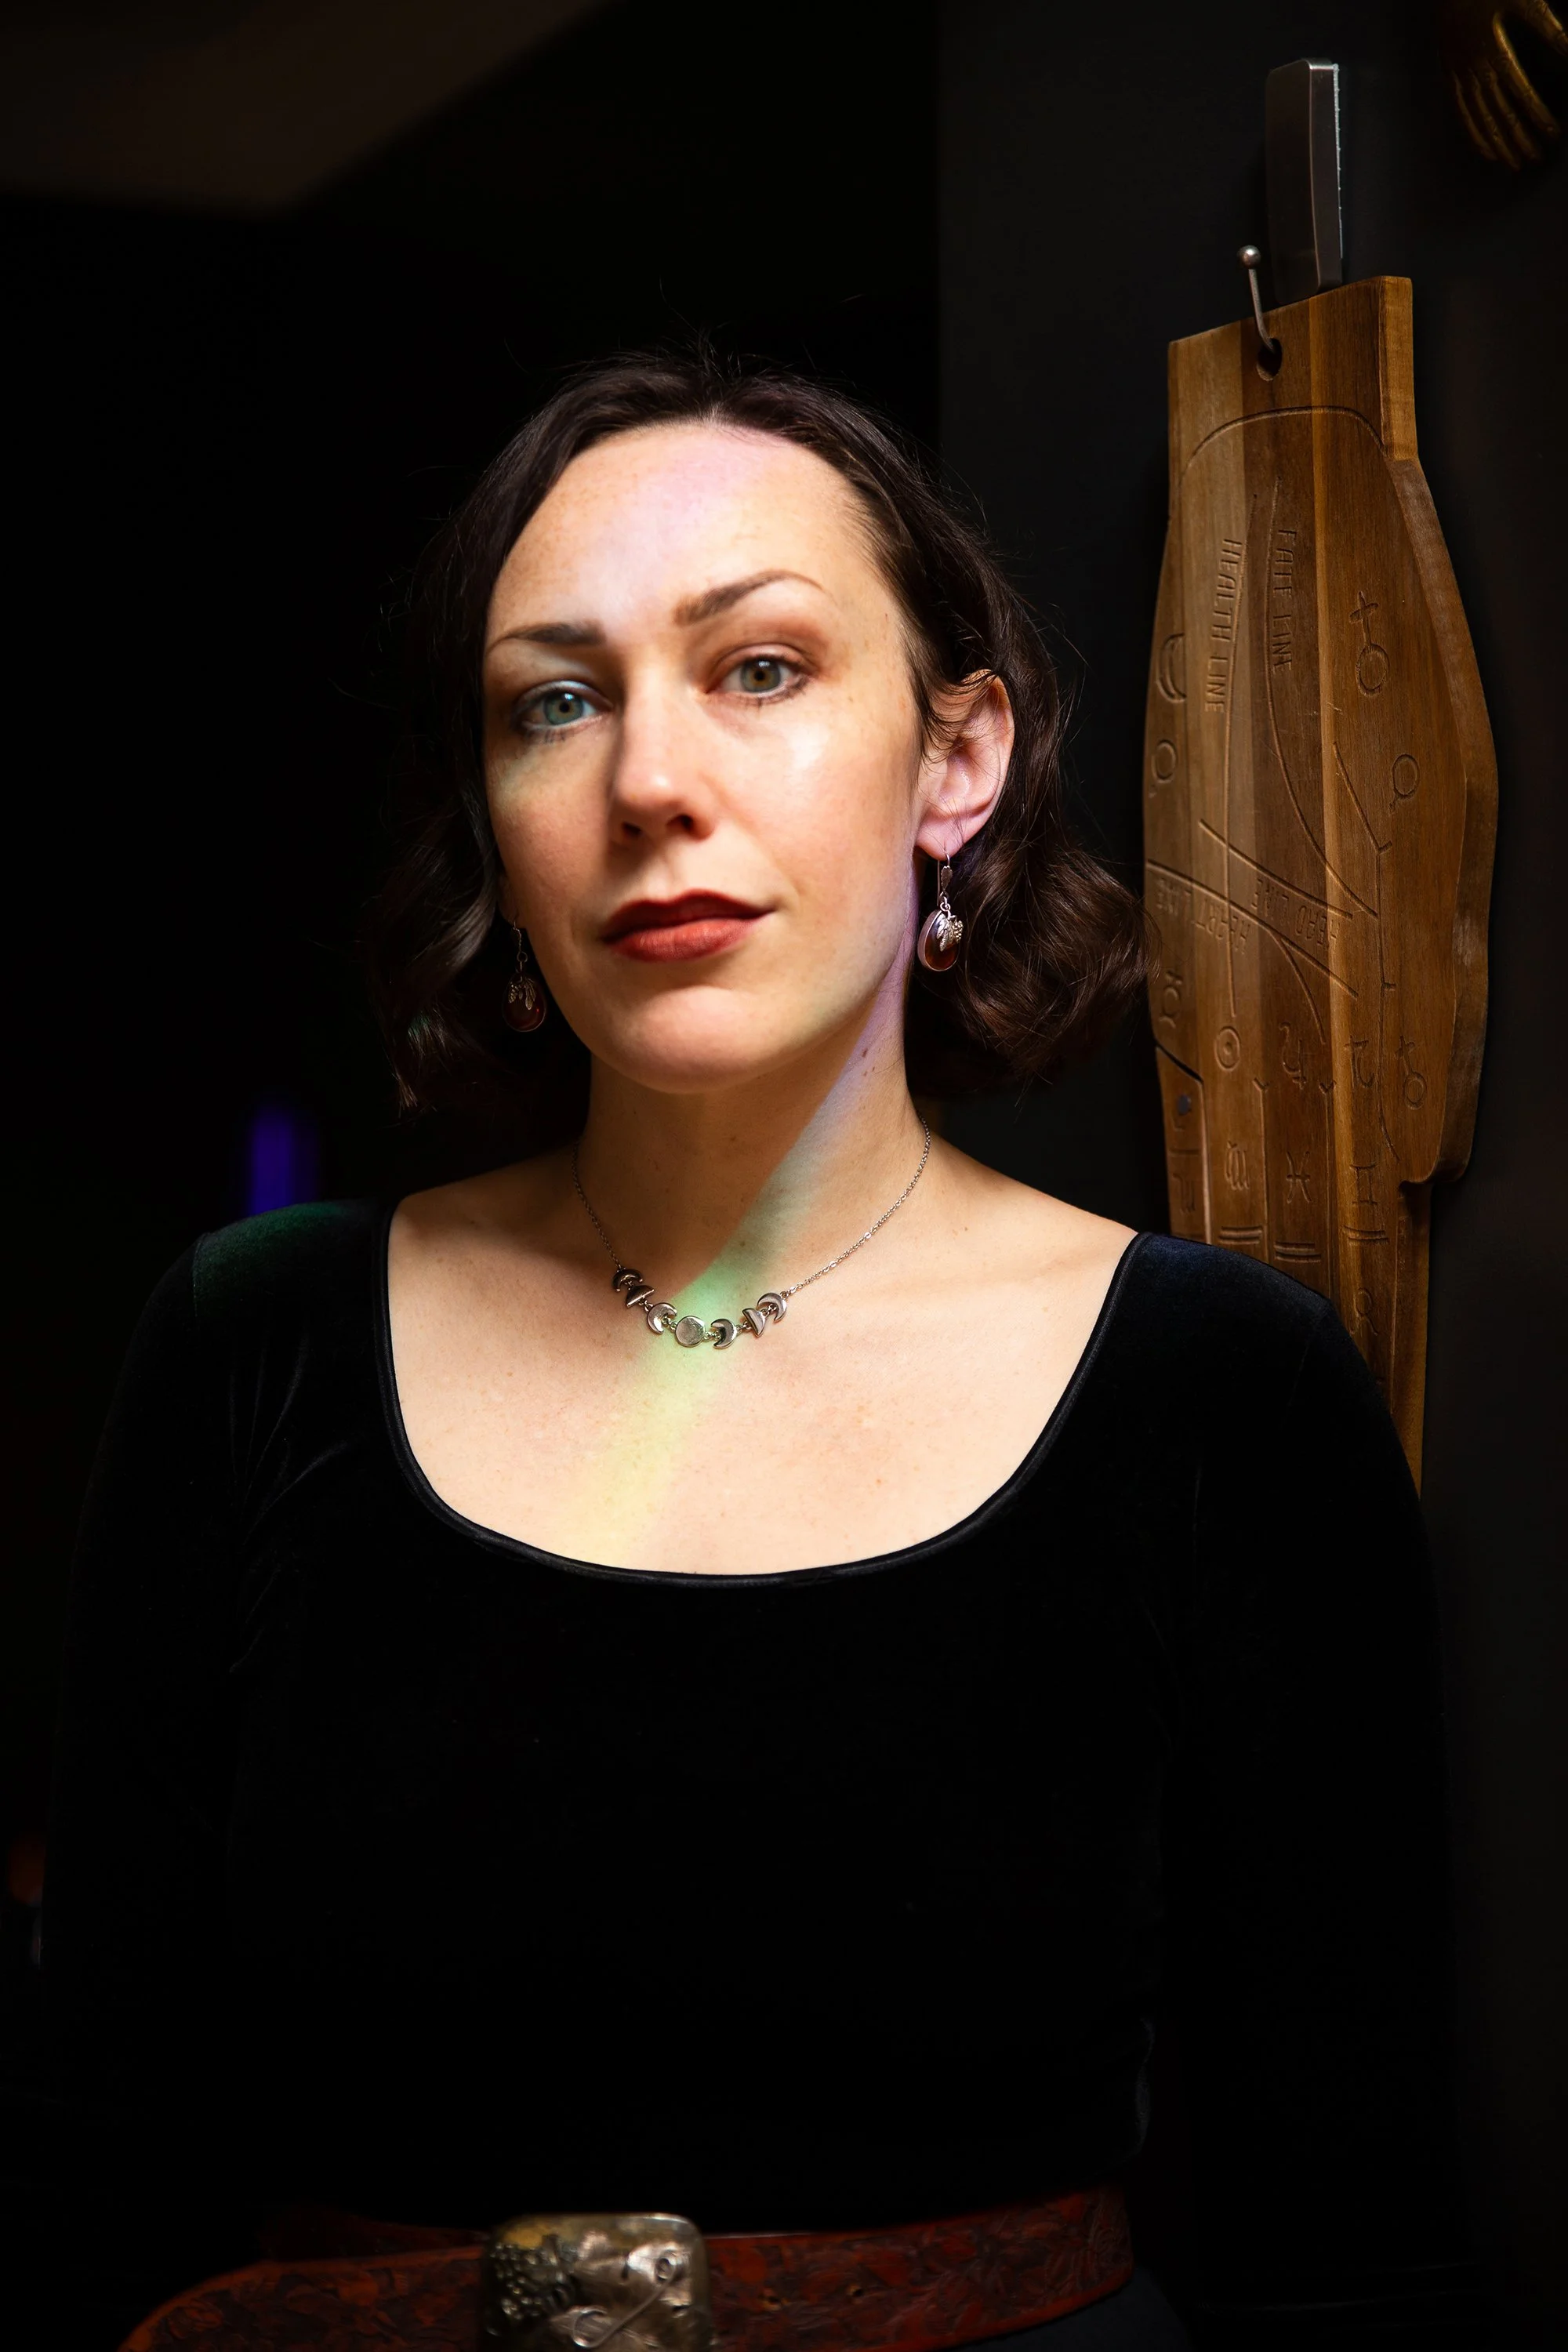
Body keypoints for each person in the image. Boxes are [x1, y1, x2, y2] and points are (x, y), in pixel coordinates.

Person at [39, 354, 1469, 2350]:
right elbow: (100, 2186)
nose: (646, 780)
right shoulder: (248, 1344)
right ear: (496, 816)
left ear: (955, 762)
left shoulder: (1223, 1393)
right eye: (555, 699)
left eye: (764, 668)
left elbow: (1359, 2250)